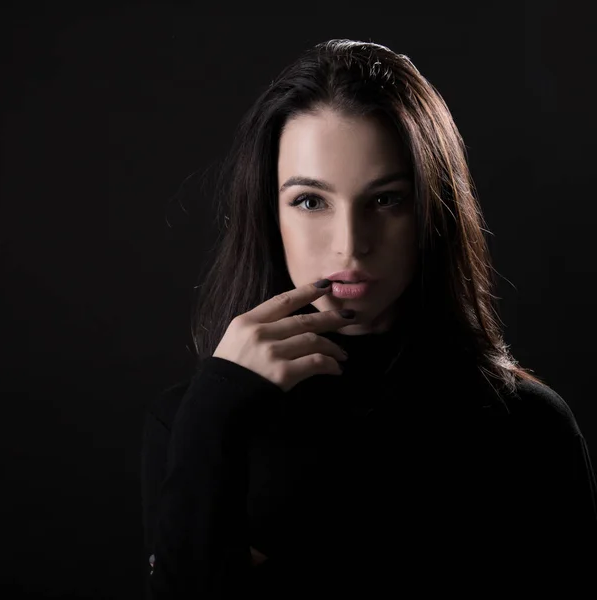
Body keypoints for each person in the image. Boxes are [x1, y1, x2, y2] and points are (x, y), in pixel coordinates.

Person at [140, 39, 597, 598]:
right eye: (311, 201)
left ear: (432, 212)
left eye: (386, 201)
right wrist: (214, 409)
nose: (350, 247)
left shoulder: (527, 428)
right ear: (268, 211)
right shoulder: (196, 422)